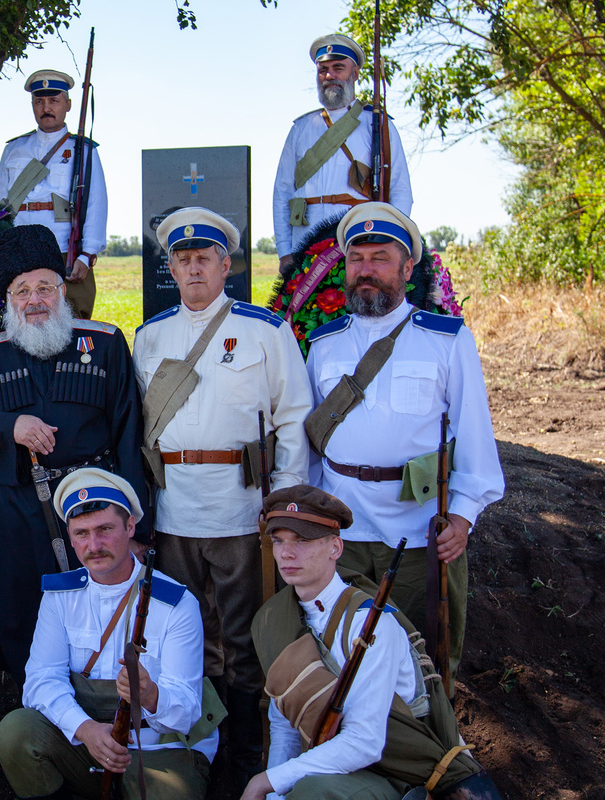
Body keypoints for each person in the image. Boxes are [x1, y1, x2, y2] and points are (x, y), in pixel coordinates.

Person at [132, 207, 312, 784]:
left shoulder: (265, 330)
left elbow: (293, 418)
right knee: (185, 634)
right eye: (182, 261)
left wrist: (282, 505)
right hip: (175, 512)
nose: (192, 271)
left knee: (241, 641)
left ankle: (243, 759)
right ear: (171, 268)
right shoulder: (150, 336)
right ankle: (193, 752)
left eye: (203, 259)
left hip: (242, 511)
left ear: (225, 265)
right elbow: (140, 427)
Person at [304, 202, 504, 687]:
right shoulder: (323, 344)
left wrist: (463, 515)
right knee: (342, 658)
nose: (365, 270)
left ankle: (433, 758)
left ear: (408, 268)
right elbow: (309, 445)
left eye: (380, 258)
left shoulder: (446, 339)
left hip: (419, 532)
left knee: (423, 665)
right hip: (342, 530)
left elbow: (474, 437)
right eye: (357, 259)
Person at [0, 224, 146, 682]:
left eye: (44, 287)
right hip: (17, 511)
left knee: (99, 610)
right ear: (8, 301)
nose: (34, 300)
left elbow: (129, 435)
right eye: (22, 291)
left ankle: (101, 702)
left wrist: (139, 524)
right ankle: (32, 708)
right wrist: (9, 426)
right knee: (25, 609)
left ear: (64, 289)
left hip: (95, 503)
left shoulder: (106, 345)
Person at [244, 485, 502, 800]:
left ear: (335, 548)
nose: (286, 553)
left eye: (303, 540)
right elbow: (283, 722)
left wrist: (266, 782)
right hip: (331, 763)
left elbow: (364, 743)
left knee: (313, 792)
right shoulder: (275, 619)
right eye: (279, 541)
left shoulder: (371, 624)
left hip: (399, 773)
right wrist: (274, 792)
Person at [0, 468, 223, 800]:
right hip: (87, 743)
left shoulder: (176, 603)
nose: (94, 545)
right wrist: (85, 730)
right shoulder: (60, 597)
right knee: (17, 730)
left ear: (130, 527)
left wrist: (150, 696)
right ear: (70, 538)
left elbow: (187, 711)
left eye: (105, 530)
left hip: (158, 748)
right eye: (82, 533)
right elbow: (41, 680)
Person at [272, 33, 412, 274]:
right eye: (323, 69)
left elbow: (399, 190)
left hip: (358, 238)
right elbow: (282, 192)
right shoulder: (301, 128)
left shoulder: (377, 124)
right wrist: (285, 251)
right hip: (306, 240)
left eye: (339, 68)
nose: (330, 76)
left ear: (355, 73)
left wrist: (391, 245)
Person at [0, 69, 107, 319]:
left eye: (54, 100)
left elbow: (96, 205)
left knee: (73, 318)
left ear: (67, 104)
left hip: (64, 248)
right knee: (21, 315)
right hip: (19, 245)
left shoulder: (83, 150)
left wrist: (87, 255)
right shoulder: (14, 149)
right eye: (39, 101)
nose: (46, 107)